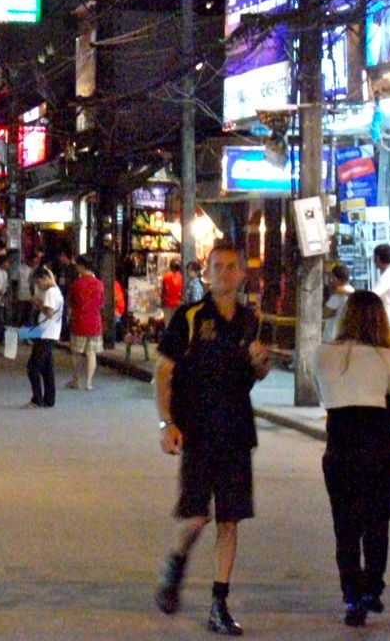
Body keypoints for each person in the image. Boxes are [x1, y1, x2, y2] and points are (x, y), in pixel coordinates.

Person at [154, 244, 270, 636]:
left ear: (242, 275)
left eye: (231, 267)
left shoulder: (252, 321)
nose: (224, 273)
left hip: (237, 432)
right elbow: (164, 372)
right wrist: (167, 423)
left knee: (230, 519)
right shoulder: (189, 317)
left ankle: (219, 602)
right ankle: (177, 561)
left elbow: (259, 373)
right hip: (198, 433)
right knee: (196, 518)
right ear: (207, 273)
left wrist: (260, 361)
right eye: (217, 267)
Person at [312, 290, 390, 626]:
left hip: (341, 447)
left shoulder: (322, 354)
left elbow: (325, 397)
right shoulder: (385, 356)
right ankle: (372, 589)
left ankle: (352, 597)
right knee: (377, 525)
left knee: (346, 527)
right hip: (380, 447)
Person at [22, 264, 63, 409]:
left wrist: (39, 304)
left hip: (46, 334)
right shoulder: (56, 290)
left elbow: (49, 312)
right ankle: (49, 399)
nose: (39, 286)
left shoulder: (51, 292)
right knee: (47, 368)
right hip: (50, 332)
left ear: (45, 278)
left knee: (33, 367)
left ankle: (37, 399)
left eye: (39, 282)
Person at [66, 255, 104, 391]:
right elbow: (101, 303)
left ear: (82, 267)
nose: (76, 268)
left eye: (77, 266)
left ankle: (76, 380)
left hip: (79, 320)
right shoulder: (99, 284)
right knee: (91, 352)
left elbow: (71, 303)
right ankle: (89, 383)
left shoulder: (77, 284)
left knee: (76, 352)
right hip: (94, 321)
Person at [322, 263, 354, 343]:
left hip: (333, 334)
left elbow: (326, 313)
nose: (331, 280)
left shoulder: (338, 295)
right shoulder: (351, 289)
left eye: (332, 277)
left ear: (338, 279)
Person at [160, 259, 183, 327]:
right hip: (178, 304)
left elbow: (163, 291)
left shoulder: (166, 276)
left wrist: (162, 300)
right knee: (177, 324)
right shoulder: (181, 277)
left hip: (167, 303)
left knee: (168, 324)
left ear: (170, 267)